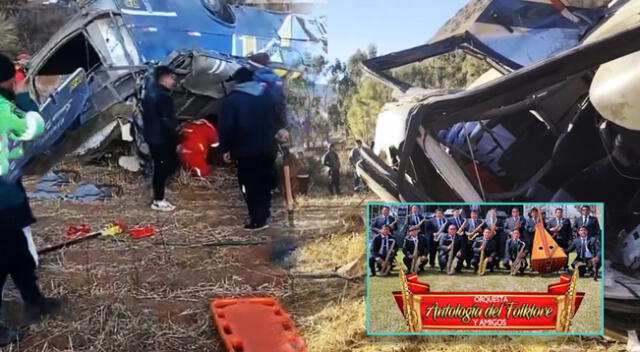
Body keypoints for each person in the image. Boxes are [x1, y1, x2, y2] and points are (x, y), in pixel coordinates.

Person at [0, 53, 62, 346]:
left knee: (19, 257)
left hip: (9, 194)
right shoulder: (3, 107)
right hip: (2, 201)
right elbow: (34, 127)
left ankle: (35, 301)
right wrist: (24, 97)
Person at [220, 67, 280, 230]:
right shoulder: (267, 95)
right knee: (265, 181)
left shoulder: (233, 100)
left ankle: (257, 220)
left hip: (246, 150)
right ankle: (265, 213)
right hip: (269, 147)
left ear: (238, 81)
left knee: (249, 184)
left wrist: (225, 148)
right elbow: (277, 117)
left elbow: (226, 127)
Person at [141, 66, 180, 212]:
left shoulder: (150, 93)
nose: (173, 82)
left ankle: (159, 194)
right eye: (172, 78)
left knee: (162, 167)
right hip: (161, 138)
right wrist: (177, 138)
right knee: (163, 167)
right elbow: (167, 120)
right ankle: (158, 200)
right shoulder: (163, 96)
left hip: (152, 136)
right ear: (164, 78)